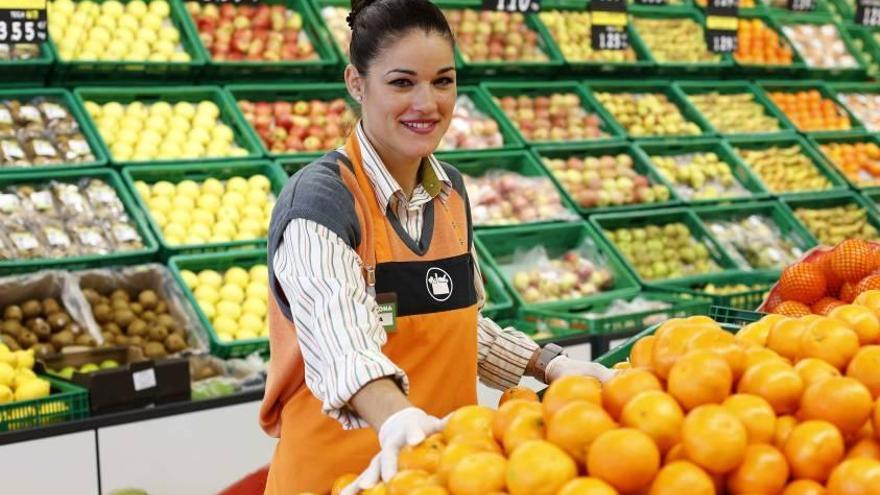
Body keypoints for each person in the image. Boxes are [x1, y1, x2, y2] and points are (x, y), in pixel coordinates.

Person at [259, 1, 615, 493]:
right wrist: (396, 419)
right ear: (356, 83)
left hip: (447, 474)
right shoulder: (320, 203)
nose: (427, 103)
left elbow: (453, 323)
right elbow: (343, 343)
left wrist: (548, 363)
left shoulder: (449, 192)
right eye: (402, 83)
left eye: (443, 81)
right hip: (343, 480)